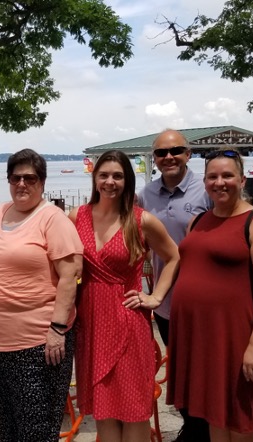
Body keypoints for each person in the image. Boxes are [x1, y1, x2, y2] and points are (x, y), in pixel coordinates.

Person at [167, 148, 253, 441]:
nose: (219, 182)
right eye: (212, 176)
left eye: (227, 175)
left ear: (242, 180)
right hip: (203, 337)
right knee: (215, 414)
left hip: (238, 335)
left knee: (242, 419)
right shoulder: (198, 221)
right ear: (205, 182)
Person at [0, 148, 83, 442]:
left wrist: (57, 329)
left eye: (30, 178)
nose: (22, 184)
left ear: (42, 182)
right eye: (16, 177)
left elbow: (70, 276)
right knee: (4, 425)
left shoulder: (52, 219)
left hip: (35, 345)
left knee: (36, 429)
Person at [69, 150, 179, 441]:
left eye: (117, 176)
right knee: (103, 413)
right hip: (90, 324)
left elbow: (175, 257)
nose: (109, 182)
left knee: (134, 412)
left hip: (128, 321)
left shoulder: (140, 220)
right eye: (103, 175)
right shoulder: (76, 216)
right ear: (94, 178)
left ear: (127, 180)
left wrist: (155, 297)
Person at [137, 129, 211, 441]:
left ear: (188, 154)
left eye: (176, 150)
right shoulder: (145, 195)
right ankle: (194, 427)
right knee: (179, 369)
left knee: (206, 368)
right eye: (161, 153)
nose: (169, 157)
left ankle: (205, 429)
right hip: (166, 301)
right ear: (154, 159)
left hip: (205, 298)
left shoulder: (206, 190)